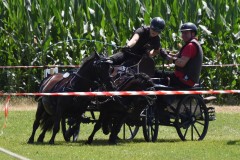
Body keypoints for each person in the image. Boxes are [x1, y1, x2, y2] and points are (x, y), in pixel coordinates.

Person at [156, 22, 203, 88]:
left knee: (156, 76)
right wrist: (165, 53)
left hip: (184, 80)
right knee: (159, 73)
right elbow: (176, 56)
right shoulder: (193, 44)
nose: (183, 35)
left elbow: (181, 63)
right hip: (185, 78)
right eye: (182, 33)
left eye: (186, 33)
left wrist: (167, 57)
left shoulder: (190, 45)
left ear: (193, 33)